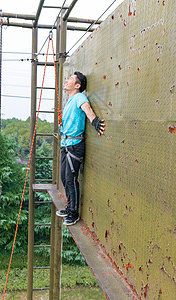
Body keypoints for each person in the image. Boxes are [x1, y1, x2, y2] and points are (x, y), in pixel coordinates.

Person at [56, 71, 105, 226]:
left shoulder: (79, 97)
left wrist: (95, 121)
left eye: (70, 79)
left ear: (77, 86)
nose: (66, 80)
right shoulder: (70, 100)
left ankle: (73, 213)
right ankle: (69, 207)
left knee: (70, 179)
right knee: (64, 178)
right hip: (66, 144)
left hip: (74, 146)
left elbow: (87, 109)